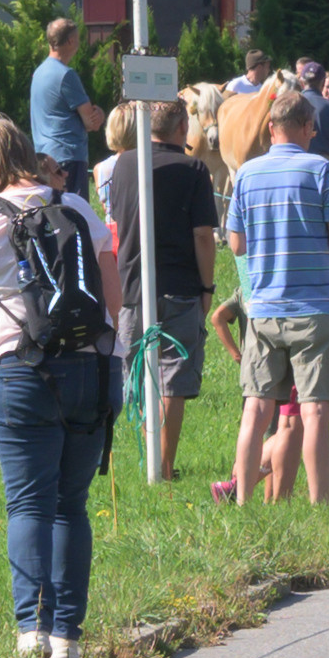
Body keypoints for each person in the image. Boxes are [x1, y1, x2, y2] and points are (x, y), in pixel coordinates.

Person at [0, 115, 115, 658]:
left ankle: (29, 632)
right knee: (71, 506)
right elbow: (110, 300)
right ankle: (68, 636)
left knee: (27, 504)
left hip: (20, 373)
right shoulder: (79, 208)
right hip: (89, 368)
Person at [227, 90, 329, 506]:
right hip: (313, 311)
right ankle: (319, 506)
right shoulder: (319, 170)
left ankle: (242, 505)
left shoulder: (247, 174)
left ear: (270, 128)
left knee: (255, 410)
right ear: (309, 128)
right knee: (315, 413)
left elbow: (237, 245)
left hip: (265, 309)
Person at [106, 99, 221, 482]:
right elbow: (203, 235)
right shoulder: (193, 169)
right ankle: (164, 464)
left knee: (142, 375)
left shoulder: (123, 164)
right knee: (173, 377)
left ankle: (151, 461)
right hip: (180, 286)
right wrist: (208, 286)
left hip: (132, 287)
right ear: (181, 126)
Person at [29, 17, 106, 203]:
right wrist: (101, 114)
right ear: (71, 41)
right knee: (74, 215)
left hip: (45, 159)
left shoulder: (38, 73)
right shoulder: (66, 75)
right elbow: (91, 122)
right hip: (69, 158)